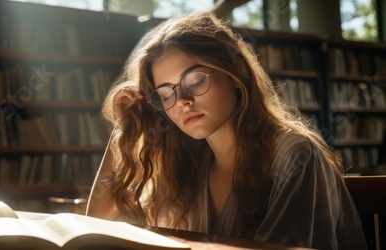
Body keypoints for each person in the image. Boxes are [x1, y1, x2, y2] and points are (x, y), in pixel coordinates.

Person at [86, 10, 366, 250]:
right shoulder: (186, 163)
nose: (182, 101)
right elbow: (96, 223)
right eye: (165, 93)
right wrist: (125, 129)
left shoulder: (294, 155)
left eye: (194, 80)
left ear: (235, 74)